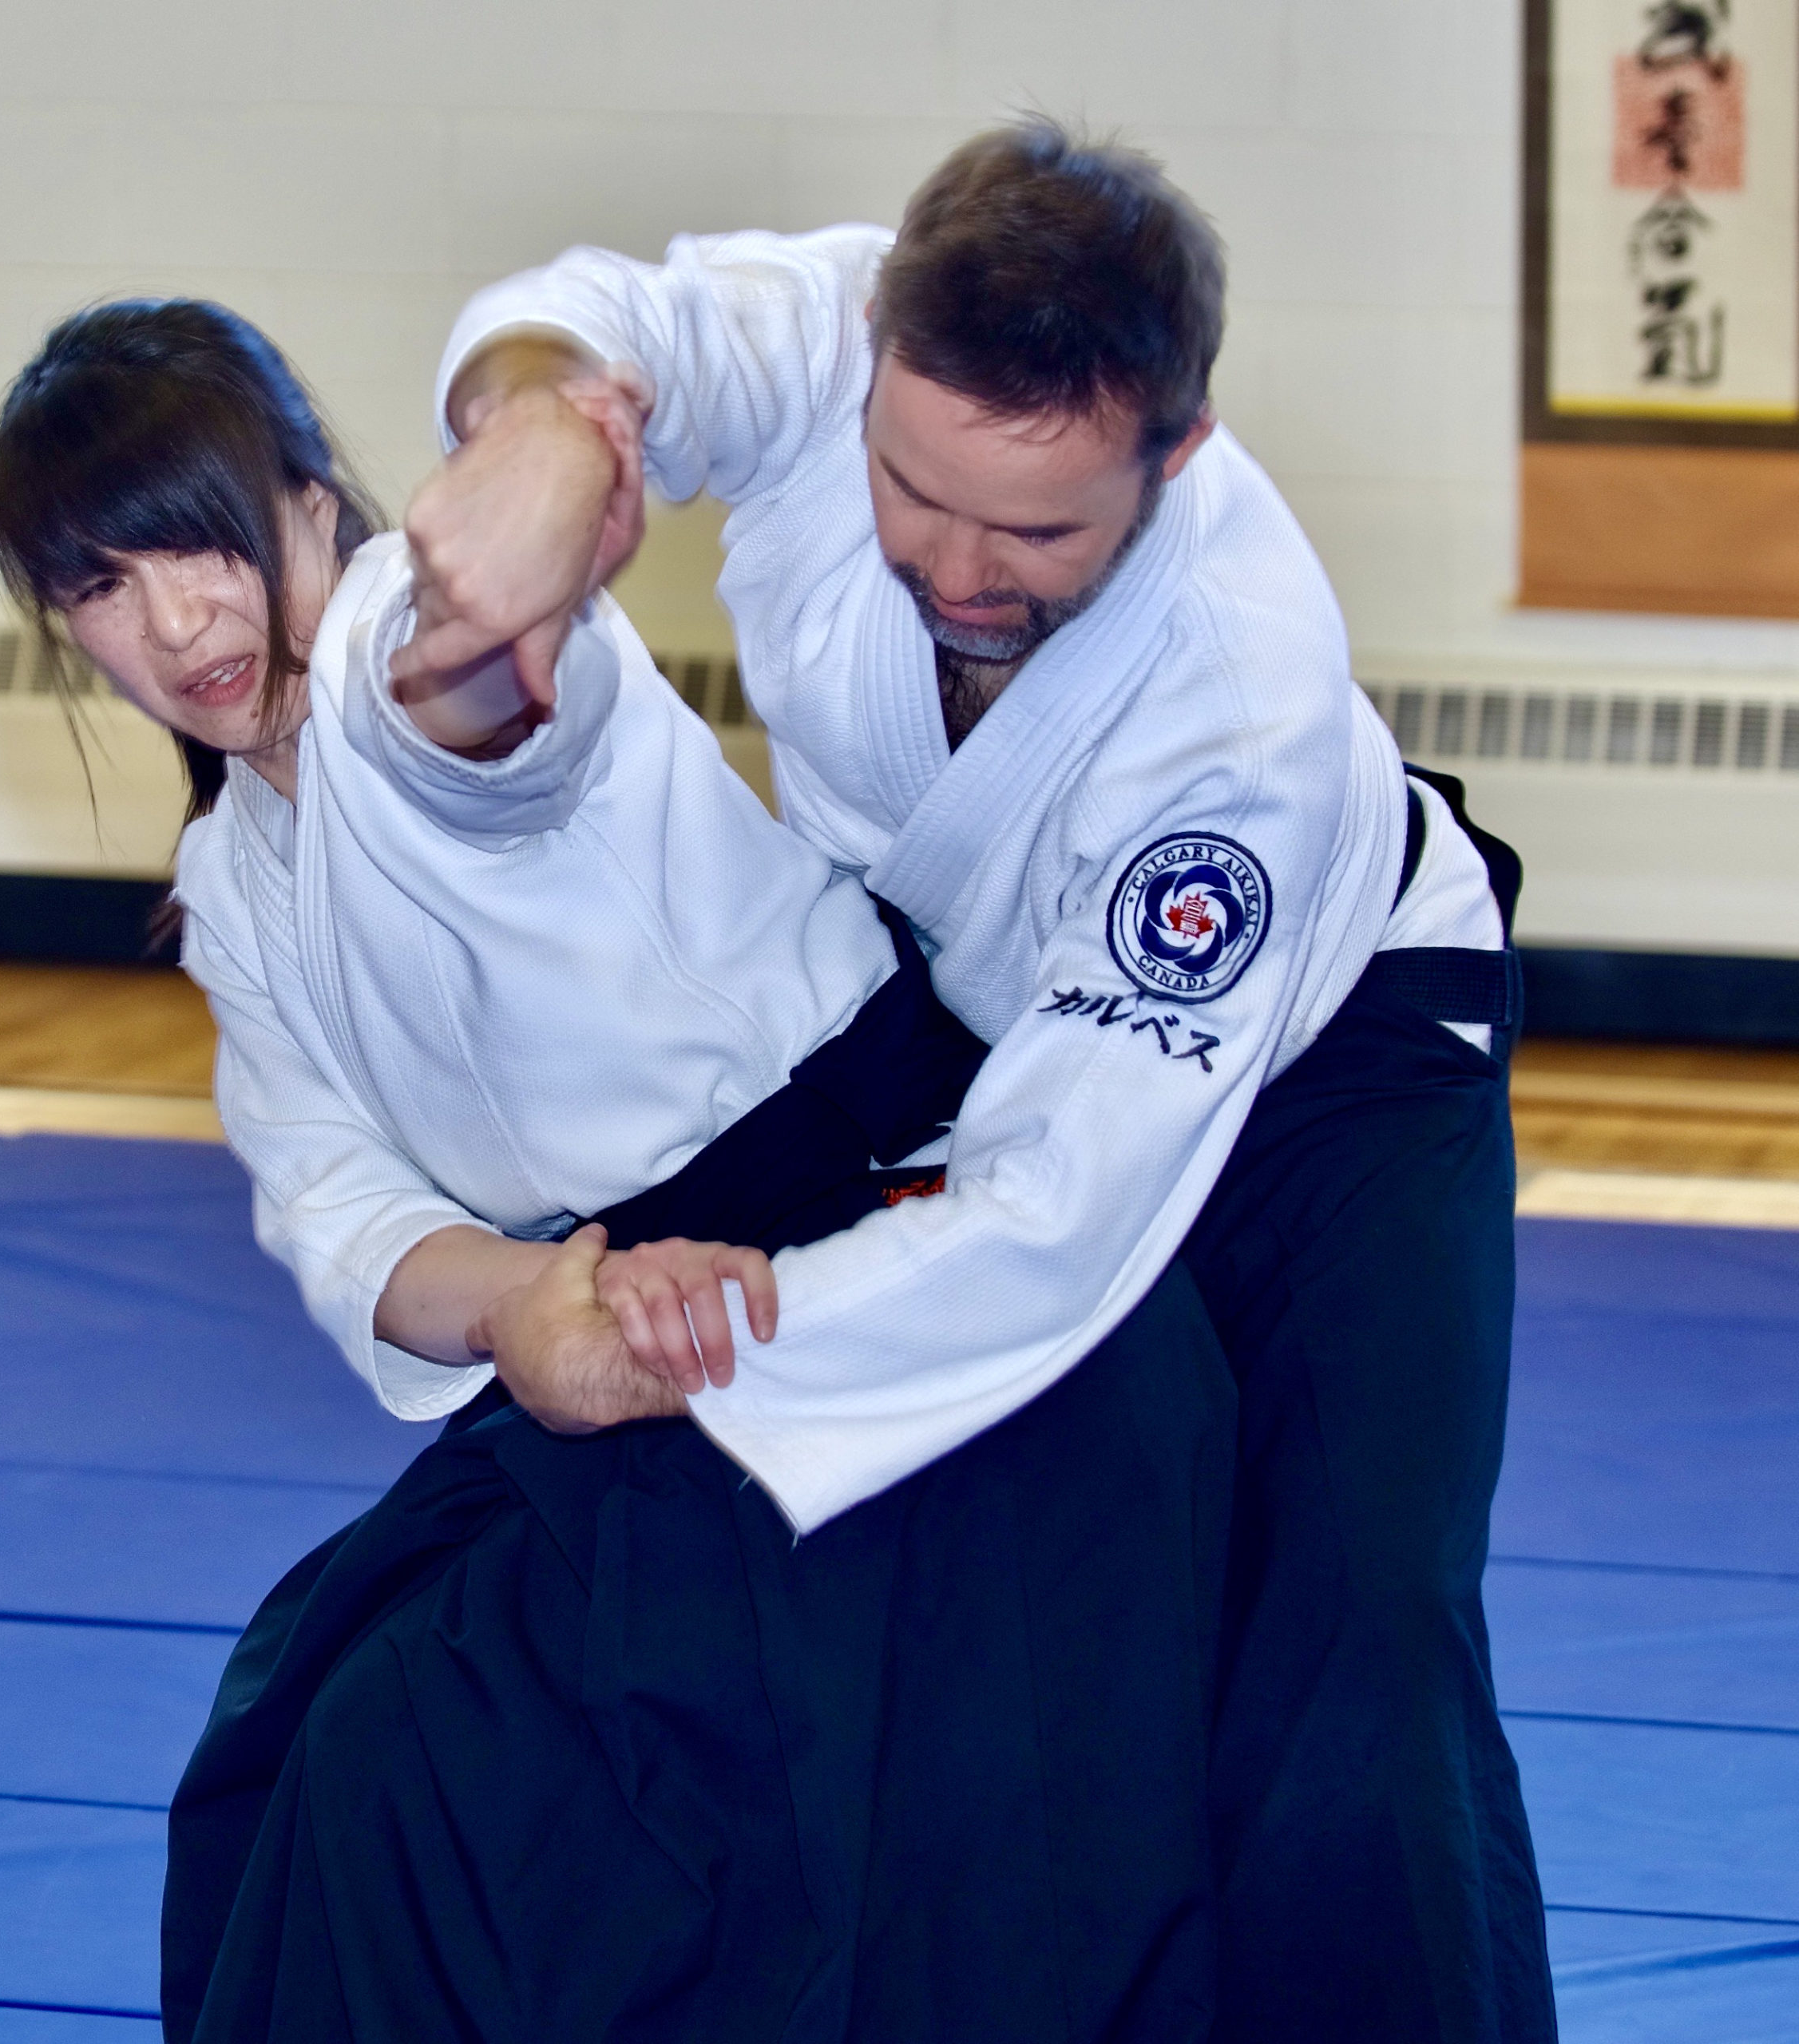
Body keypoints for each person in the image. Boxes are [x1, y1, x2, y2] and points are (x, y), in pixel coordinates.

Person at [400, 121, 1555, 2039]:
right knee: (1042, 1592)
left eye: (1034, 533)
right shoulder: (839, 333)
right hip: (970, 990)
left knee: (1350, 1624)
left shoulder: (1233, 704)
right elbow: (600, 320)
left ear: (1170, 458)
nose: (951, 566)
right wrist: (537, 428)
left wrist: (715, 1335)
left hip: (1333, 1062)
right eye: (908, 493)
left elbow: (1049, 1217)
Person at [0, 299, 1242, 2042]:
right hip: (624, 1320)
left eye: (202, 543)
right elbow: (350, 1216)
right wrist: (534, 1317)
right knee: (331, 1740)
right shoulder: (238, 888)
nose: (175, 618)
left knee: (663, 1825)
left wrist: (501, 601)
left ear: (313, 506)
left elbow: (490, 741)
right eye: (100, 587)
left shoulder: (387, 680)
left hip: (896, 1248)